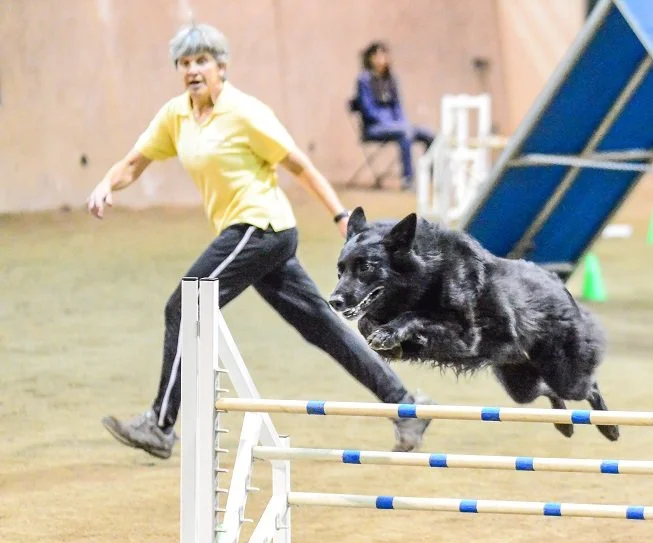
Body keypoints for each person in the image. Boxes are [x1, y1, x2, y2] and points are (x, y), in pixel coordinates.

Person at [87, 23, 432, 459]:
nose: (194, 70)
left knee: (185, 303)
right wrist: (106, 183)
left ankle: (160, 423)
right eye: (185, 62)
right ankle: (405, 405)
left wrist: (340, 214)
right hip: (253, 236)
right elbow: (135, 163)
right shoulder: (175, 116)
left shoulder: (245, 112)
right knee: (322, 327)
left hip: (261, 227)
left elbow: (299, 165)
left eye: (203, 61)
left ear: (222, 66)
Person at [354, 40, 435, 190]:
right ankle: (408, 180)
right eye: (377, 55)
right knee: (405, 134)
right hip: (374, 128)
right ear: (370, 58)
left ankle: (434, 178)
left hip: (397, 126)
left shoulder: (391, 79)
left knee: (428, 134)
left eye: (384, 54)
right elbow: (368, 109)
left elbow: (397, 107)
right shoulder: (364, 80)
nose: (381, 58)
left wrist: (402, 122)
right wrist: (393, 124)